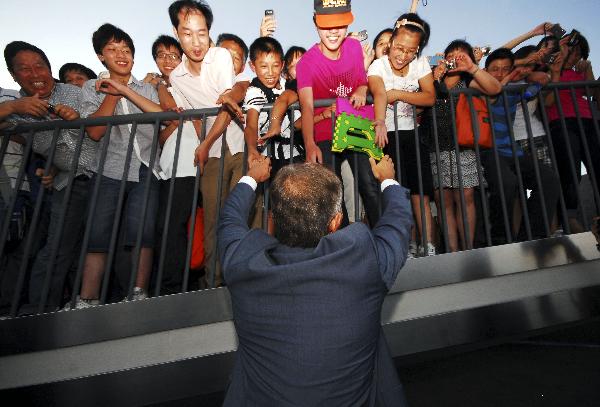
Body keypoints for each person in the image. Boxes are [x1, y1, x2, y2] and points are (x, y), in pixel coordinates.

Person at [218, 155, 412, 406]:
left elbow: (229, 219)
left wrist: (251, 177)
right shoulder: (364, 263)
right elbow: (397, 224)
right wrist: (388, 180)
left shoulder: (243, 263)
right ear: (336, 222)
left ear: (274, 219)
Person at [2, 41, 98, 312]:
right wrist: (13, 107)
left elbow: (101, 125)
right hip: (68, 182)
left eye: (40, 66)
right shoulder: (19, 108)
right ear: (13, 75)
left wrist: (77, 118)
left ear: (49, 68)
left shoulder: (75, 92)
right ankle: (41, 310)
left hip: (103, 175)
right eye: (25, 69)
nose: (35, 74)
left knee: (98, 243)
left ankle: (90, 303)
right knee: (57, 247)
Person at [75, 23, 163, 309]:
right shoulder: (91, 88)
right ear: (101, 56)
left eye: (126, 50)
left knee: (142, 232)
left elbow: (159, 115)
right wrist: (112, 94)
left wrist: (124, 89)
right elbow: (95, 131)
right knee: (98, 233)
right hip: (108, 168)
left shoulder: (146, 88)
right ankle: (88, 298)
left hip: (146, 165)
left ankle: (138, 293)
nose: (121, 55)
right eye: (112, 50)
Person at [167, 0, 252, 288]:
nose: (196, 42)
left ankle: (243, 280)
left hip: (238, 146)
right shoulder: (176, 77)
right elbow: (194, 117)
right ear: (176, 32)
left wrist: (205, 144)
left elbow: (227, 107)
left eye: (202, 33)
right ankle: (214, 283)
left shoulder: (220, 57)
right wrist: (204, 147)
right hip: (212, 154)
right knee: (213, 219)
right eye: (187, 33)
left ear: (209, 32)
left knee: (241, 213)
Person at [297, 0, 384, 227]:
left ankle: (385, 239)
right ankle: (343, 244)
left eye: (340, 24)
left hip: (356, 124)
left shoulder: (354, 47)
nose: (334, 31)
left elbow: (362, 81)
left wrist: (362, 88)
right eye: (327, 25)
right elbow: (307, 106)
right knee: (334, 194)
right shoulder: (306, 63)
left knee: (369, 184)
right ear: (315, 23)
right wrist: (310, 144)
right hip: (324, 133)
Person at [423, 40, 501, 252]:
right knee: (443, 201)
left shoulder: (469, 82)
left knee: (465, 197)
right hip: (435, 147)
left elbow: (495, 88)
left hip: (463, 147)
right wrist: (435, 76)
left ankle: (468, 249)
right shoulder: (432, 79)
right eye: (451, 55)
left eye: (461, 56)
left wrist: (472, 67)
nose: (455, 59)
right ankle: (453, 252)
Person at [368, 12, 436, 257]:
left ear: (417, 50)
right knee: (398, 195)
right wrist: (379, 122)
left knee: (420, 194)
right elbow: (379, 93)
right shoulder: (378, 65)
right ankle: (405, 246)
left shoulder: (420, 64)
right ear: (390, 44)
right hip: (387, 136)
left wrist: (397, 94)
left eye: (410, 51)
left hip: (412, 135)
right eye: (399, 48)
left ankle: (428, 245)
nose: (403, 55)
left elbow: (429, 97)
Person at [482, 48, 559, 243]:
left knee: (548, 178)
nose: (500, 73)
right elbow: (493, 91)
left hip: (512, 150)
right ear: (485, 71)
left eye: (505, 69)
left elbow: (536, 86)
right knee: (507, 183)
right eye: (495, 69)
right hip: (489, 150)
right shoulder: (479, 87)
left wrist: (541, 76)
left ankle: (532, 237)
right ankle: (500, 237)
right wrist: (516, 72)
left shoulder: (514, 91)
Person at [544, 31, 599, 233]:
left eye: (579, 53)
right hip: (561, 122)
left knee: (597, 166)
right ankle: (569, 216)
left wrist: (588, 69)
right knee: (570, 168)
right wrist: (556, 69)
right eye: (571, 50)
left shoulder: (580, 73)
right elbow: (547, 101)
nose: (574, 56)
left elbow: (591, 93)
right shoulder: (549, 72)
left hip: (588, 121)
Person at [244, 36, 303, 177]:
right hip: (269, 159)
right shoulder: (254, 91)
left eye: (275, 65)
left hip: (296, 155)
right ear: (252, 66)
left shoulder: (288, 85)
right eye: (264, 66)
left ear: (282, 65)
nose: (270, 72)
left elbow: (298, 123)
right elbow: (251, 124)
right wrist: (252, 149)